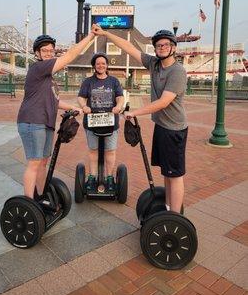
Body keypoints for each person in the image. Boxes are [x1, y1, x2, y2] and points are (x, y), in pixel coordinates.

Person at [92, 25, 187, 213]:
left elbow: (163, 102)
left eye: (166, 45)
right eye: (158, 45)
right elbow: (129, 47)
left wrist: (135, 112)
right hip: (161, 126)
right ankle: (168, 207)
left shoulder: (177, 71)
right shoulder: (154, 64)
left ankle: (174, 216)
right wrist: (105, 33)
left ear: (173, 48)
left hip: (174, 129)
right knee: (167, 173)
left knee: (175, 175)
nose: (161, 48)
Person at [17, 31, 95, 199]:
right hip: (33, 121)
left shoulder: (49, 78)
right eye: (44, 50)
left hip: (45, 123)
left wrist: (75, 108)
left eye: (51, 50)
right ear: (37, 53)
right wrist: (90, 37)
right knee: (34, 163)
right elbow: (71, 55)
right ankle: (29, 202)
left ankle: (40, 196)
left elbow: (55, 102)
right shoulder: (38, 67)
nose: (48, 53)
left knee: (43, 161)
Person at [77, 52, 124, 191]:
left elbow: (120, 97)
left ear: (107, 65)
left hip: (110, 122)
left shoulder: (114, 81)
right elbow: (81, 97)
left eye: (103, 63)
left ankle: (109, 177)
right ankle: (92, 176)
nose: (101, 65)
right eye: (98, 63)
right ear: (94, 66)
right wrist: (84, 106)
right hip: (93, 122)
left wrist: (118, 106)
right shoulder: (88, 82)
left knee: (110, 151)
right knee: (93, 151)